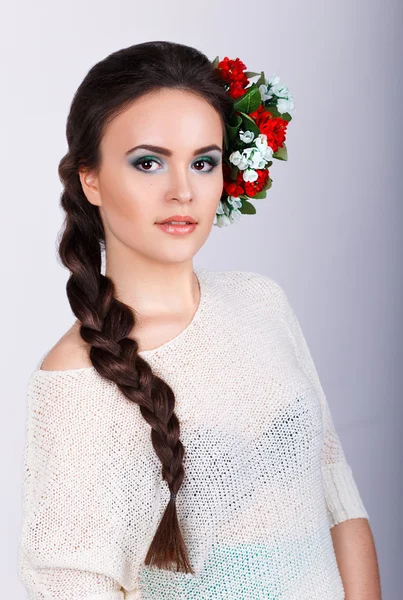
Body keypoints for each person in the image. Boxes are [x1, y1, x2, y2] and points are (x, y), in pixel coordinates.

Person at [17, 40, 379, 599]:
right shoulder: (75, 382)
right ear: (91, 180)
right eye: (148, 162)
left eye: (203, 162)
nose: (183, 191)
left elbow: (339, 498)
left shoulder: (262, 302)